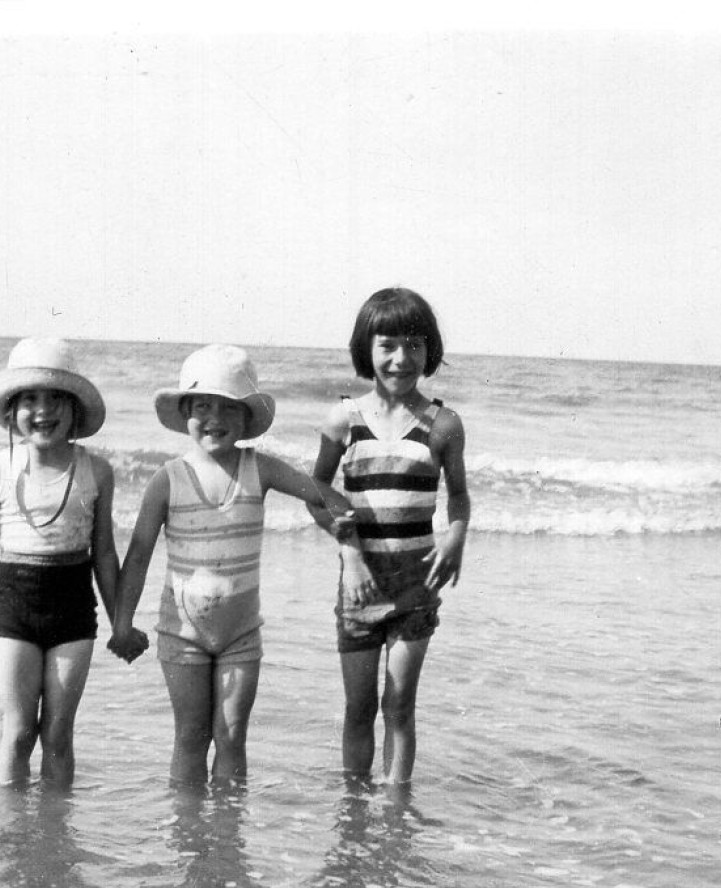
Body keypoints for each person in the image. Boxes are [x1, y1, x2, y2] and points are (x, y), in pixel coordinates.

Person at [112, 344, 354, 787]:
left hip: (241, 634)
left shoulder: (258, 468)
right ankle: (187, 834)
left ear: (247, 419)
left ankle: (226, 839)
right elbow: (139, 557)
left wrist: (350, 517)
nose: (215, 418)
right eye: (202, 405)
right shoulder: (167, 479)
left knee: (232, 736)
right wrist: (122, 625)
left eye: (229, 408)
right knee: (189, 735)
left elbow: (314, 490)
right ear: (184, 411)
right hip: (181, 634)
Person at [0, 337, 145, 787]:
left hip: (73, 608)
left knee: (58, 734)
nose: (42, 410)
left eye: (55, 399)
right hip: (14, 608)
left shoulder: (97, 471)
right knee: (20, 731)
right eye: (30, 399)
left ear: (75, 411)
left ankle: (53, 835)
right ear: (11, 411)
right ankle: (13, 831)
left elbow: (104, 552)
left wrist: (122, 622)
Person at [306, 287, 470, 786]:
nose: (402, 358)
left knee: (398, 703)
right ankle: (355, 806)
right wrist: (349, 554)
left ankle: (396, 807)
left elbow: (459, 498)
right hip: (359, 586)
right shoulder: (344, 420)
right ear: (367, 349)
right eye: (388, 345)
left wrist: (455, 536)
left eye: (415, 345)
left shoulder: (443, 425)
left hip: (416, 585)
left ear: (429, 351)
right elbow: (317, 494)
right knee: (358, 707)